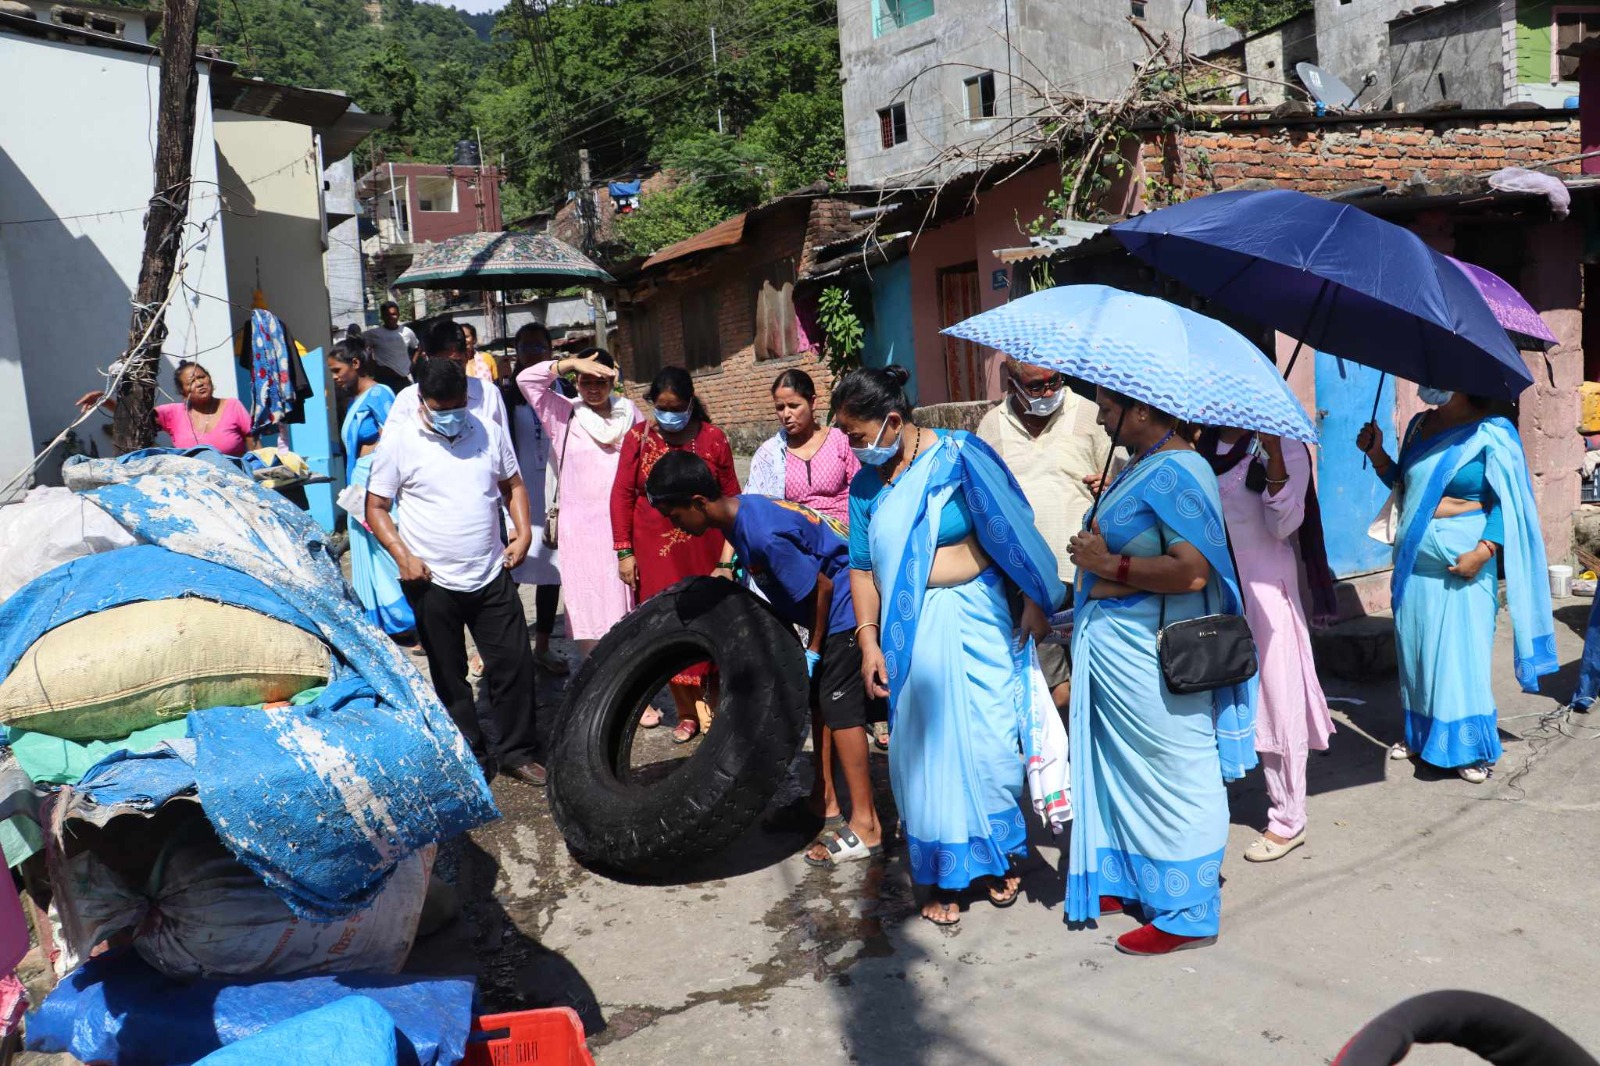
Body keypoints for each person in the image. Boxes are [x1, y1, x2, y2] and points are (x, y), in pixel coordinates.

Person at [835, 366, 1063, 928]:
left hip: (980, 622)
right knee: (924, 754)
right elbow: (862, 571)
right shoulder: (866, 488)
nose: (852, 447)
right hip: (909, 635)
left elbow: (1013, 527)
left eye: (857, 435)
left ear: (892, 420)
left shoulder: (962, 456)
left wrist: (1033, 598)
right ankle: (939, 874)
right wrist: (868, 645)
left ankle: (998, 857)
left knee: (989, 743)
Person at [1063, 387, 1256, 957]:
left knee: (1177, 770)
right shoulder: (1140, 465)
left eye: (1107, 405)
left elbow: (1192, 573)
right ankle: (1135, 879)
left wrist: (1108, 565)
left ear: (1143, 408)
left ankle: (1191, 909)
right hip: (1118, 651)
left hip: (1154, 654)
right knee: (1127, 771)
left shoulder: (1181, 470)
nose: (1099, 415)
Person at [646, 451, 887, 867]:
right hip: (834, 602)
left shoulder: (762, 534)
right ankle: (824, 800)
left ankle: (867, 825)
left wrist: (813, 649)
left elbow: (824, 589)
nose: (675, 525)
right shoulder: (743, 513)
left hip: (848, 606)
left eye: (675, 514)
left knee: (840, 708)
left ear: (700, 503)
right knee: (819, 701)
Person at [1357, 387, 1557, 783]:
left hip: (1466, 563)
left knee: (1459, 656)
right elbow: (1405, 486)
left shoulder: (1493, 431)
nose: (1429, 383)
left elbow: (1509, 502)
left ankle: (1468, 746)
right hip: (1415, 560)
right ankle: (1421, 735)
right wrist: (1377, 453)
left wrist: (1484, 551)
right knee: (1417, 652)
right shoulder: (1419, 425)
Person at [366, 356, 545, 787]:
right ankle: (471, 754)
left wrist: (522, 533)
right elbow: (376, 507)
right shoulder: (399, 441)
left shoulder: (487, 429)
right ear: (422, 401)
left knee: (514, 664)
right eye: (441, 405)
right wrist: (401, 555)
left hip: (490, 570)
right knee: (449, 675)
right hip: (430, 580)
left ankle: (517, 751)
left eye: (458, 403)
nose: (452, 413)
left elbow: (513, 484)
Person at [1195, 427, 1334, 862]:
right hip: (1217, 591)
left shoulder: (1283, 444)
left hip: (1266, 592)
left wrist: (1273, 458)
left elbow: (1286, 524)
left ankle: (1289, 818)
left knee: (1277, 701)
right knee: (1211, 697)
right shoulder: (1202, 444)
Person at [976, 359, 1116, 710]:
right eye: (1037, 386)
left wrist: (1111, 484)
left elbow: (1121, 484)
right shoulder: (991, 426)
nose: (1050, 392)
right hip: (1026, 583)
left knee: (1095, 683)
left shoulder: (1090, 413)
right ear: (1012, 384)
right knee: (1049, 691)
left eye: (1055, 381)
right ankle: (1058, 763)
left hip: (1088, 576)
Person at [611, 367, 740, 742]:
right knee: (667, 627)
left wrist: (731, 556)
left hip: (706, 546)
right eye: (661, 407)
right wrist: (624, 551)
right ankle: (685, 712)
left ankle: (714, 707)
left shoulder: (713, 438)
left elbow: (733, 494)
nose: (668, 415)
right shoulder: (638, 438)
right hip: (653, 552)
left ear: (690, 403)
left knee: (712, 624)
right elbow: (621, 495)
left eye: (676, 407)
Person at [516, 347, 642, 660]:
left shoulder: (631, 414)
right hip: (582, 536)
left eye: (601, 380)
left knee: (630, 609)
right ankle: (597, 687)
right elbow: (525, 380)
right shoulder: (564, 414)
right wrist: (569, 363)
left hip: (625, 529)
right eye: (586, 380)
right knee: (589, 612)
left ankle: (637, 693)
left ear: (613, 379)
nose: (593, 388)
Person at [327, 337, 416, 642]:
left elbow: (396, 442)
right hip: (358, 485)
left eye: (338, 370)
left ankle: (412, 619)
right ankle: (384, 624)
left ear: (356, 364)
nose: (335, 377)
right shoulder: (354, 401)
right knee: (369, 554)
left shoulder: (380, 394)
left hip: (376, 484)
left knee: (389, 551)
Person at [503, 323, 570, 675]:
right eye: (526, 347)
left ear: (550, 351)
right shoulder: (505, 394)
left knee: (550, 572)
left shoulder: (566, 389)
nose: (533, 353)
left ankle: (542, 647)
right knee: (509, 573)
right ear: (516, 352)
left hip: (555, 494)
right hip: (517, 495)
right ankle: (505, 649)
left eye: (539, 347)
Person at [746, 369, 860, 527]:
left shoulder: (840, 440)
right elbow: (752, 506)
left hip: (844, 536)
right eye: (780, 407)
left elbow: (860, 492)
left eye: (793, 405)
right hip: (798, 539)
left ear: (813, 402)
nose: (786, 414)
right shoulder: (770, 454)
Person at [76, 360, 257, 457]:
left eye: (202, 377)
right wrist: (104, 399)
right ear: (183, 392)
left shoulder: (232, 406)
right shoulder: (173, 413)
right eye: (191, 382)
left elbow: (254, 444)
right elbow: (136, 418)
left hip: (234, 482)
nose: (199, 383)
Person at [391, 320, 510, 439]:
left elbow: (504, 446)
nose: (450, 372)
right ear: (427, 359)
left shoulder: (488, 393)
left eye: (456, 363)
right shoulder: (408, 399)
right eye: (442, 364)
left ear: (468, 355)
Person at [363, 300, 419, 391]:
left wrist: (413, 362)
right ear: (382, 317)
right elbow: (361, 348)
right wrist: (372, 365)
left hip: (405, 377)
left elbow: (417, 347)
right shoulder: (373, 334)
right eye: (387, 315)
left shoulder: (407, 331)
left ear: (398, 314)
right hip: (385, 379)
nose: (391, 318)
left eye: (394, 314)